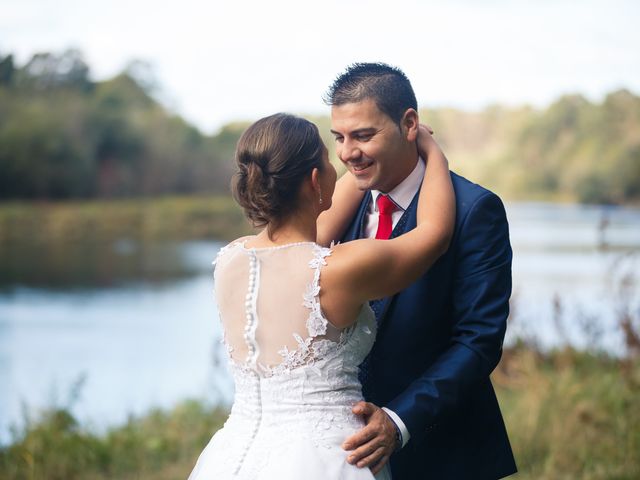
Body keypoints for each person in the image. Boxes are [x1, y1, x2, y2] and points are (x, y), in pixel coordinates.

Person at [187, 112, 455, 479]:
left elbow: (301, 239)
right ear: (315, 180)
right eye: (330, 160)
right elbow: (435, 234)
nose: (340, 166)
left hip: (235, 456)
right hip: (324, 458)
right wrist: (429, 148)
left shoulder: (230, 259)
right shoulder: (337, 269)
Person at [325, 62, 517, 479]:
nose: (346, 153)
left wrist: (399, 421)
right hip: (343, 452)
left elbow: (478, 340)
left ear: (409, 123)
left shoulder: (475, 210)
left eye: (363, 135)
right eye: (339, 137)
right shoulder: (336, 207)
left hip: (444, 452)